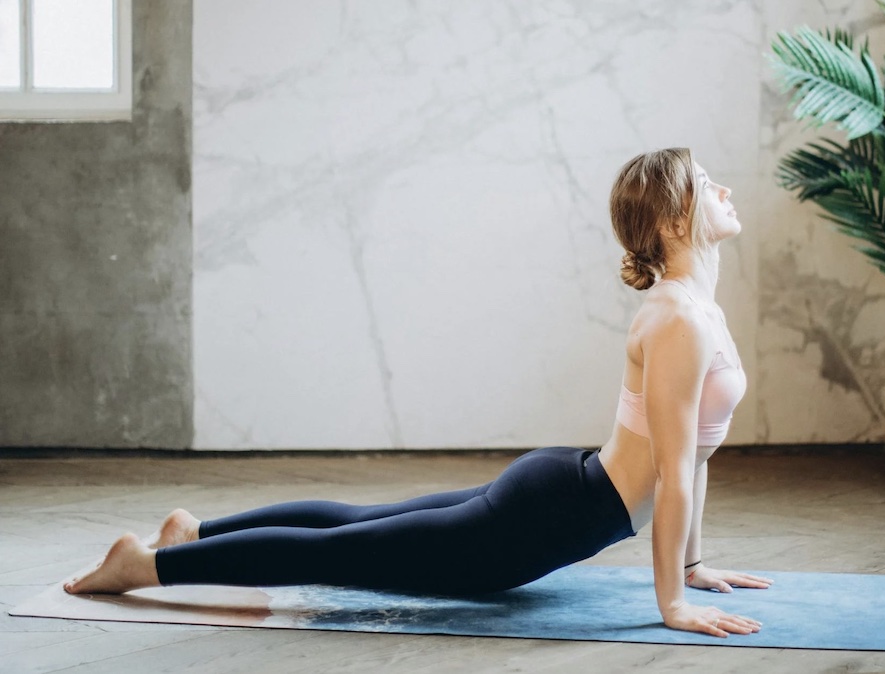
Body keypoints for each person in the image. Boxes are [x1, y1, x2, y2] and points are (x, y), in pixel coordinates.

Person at [64, 147, 771, 638]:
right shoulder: (679, 320)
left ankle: (195, 532)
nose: (726, 190)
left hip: (565, 492)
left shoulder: (695, 310)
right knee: (338, 554)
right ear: (676, 221)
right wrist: (671, 600)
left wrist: (692, 564)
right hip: (544, 519)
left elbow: (695, 457)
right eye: (709, 183)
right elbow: (673, 474)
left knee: (354, 523)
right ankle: (147, 564)